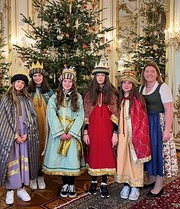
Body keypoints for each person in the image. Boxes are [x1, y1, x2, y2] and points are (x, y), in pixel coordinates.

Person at [42, 67, 86, 198]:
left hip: (72, 133)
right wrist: (60, 132)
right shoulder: (54, 98)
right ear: (61, 82)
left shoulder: (77, 97)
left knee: (71, 158)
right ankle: (64, 184)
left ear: (73, 84)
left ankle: (71, 184)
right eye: (65, 81)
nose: (67, 84)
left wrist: (72, 132)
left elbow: (80, 115)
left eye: (70, 82)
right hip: (59, 133)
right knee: (61, 159)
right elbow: (51, 115)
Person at [0, 74, 39, 205]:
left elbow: (33, 117)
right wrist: (14, 136)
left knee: (23, 160)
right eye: (18, 82)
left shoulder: (27, 99)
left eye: (22, 83)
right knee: (12, 161)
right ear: (13, 83)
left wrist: (27, 133)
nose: (20, 85)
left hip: (25, 135)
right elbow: (3, 119)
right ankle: (10, 190)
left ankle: (21, 188)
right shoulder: (6, 98)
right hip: (11, 135)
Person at [140, 61, 178, 197]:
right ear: (143, 74)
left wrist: (167, 130)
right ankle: (151, 178)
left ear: (157, 74)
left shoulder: (163, 87)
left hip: (158, 123)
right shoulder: (141, 88)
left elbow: (169, 109)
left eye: (152, 71)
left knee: (158, 153)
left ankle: (159, 185)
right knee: (148, 151)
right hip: (145, 124)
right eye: (147, 71)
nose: (149, 74)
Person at [83, 60, 119, 198]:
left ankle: (104, 183)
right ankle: (93, 182)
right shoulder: (88, 94)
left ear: (106, 77)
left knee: (106, 154)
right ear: (95, 77)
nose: (100, 77)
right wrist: (85, 132)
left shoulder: (113, 94)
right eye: (97, 75)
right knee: (93, 153)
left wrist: (115, 133)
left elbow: (116, 115)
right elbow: (86, 114)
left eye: (102, 75)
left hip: (107, 130)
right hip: (92, 130)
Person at [116, 71, 151, 201]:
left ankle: (135, 186)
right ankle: (126, 184)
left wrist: (136, 134)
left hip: (134, 134)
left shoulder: (138, 99)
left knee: (134, 159)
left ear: (133, 84)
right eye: (124, 82)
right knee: (123, 157)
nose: (126, 85)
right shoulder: (118, 98)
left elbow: (142, 119)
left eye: (129, 83)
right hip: (121, 134)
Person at [28, 61, 54, 190]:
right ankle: (32, 177)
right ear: (31, 78)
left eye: (39, 75)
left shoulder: (48, 92)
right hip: (31, 127)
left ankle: (40, 176)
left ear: (43, 77)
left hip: (45, 126)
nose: (37, 78)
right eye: (35, 76)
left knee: (43, 149)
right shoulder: (28, 92)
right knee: (32, 150)